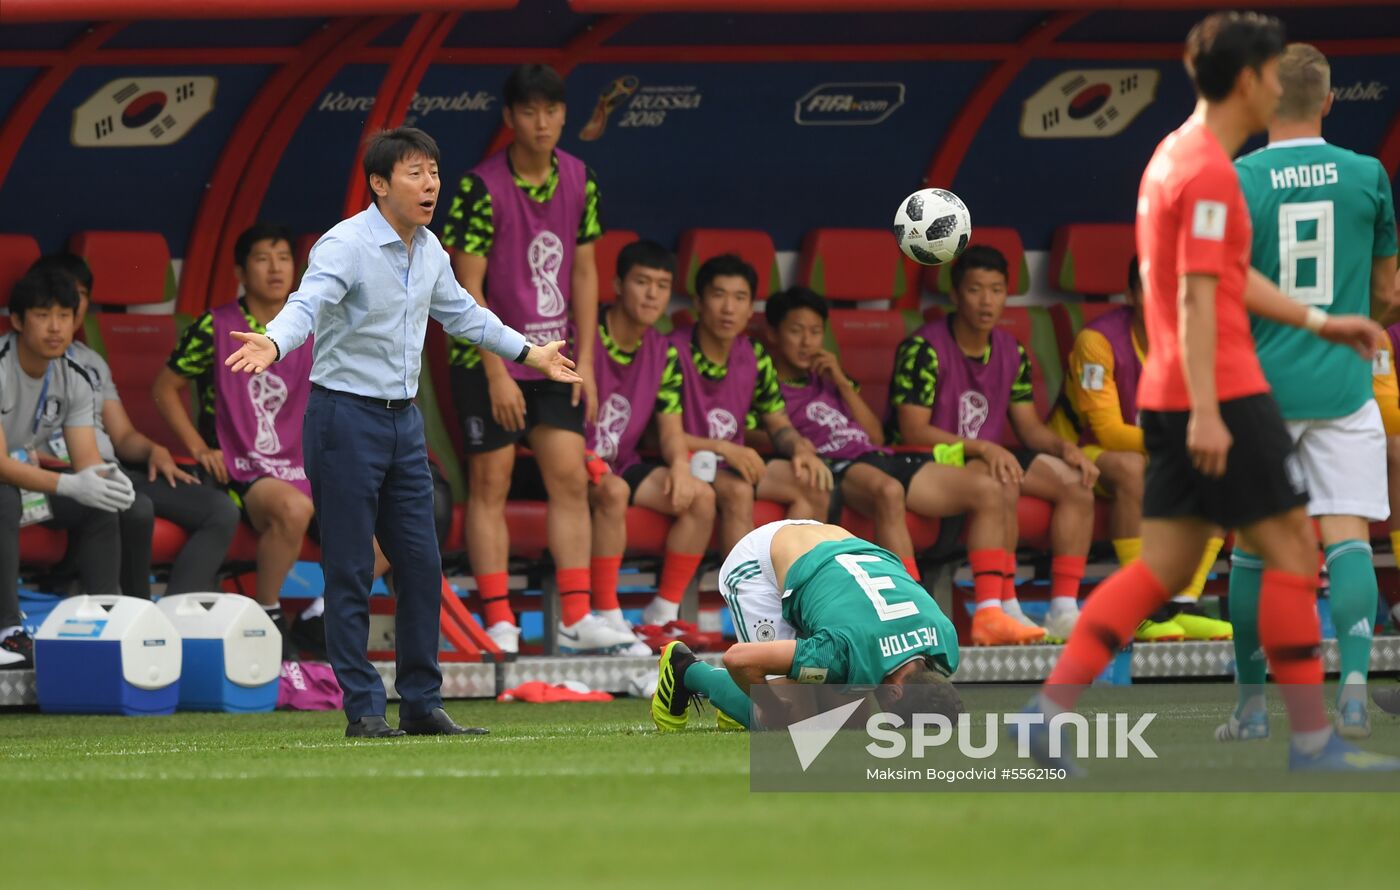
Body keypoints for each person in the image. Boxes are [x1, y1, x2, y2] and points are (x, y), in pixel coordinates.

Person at [1022, 12, 1398, 773]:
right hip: (1221, 390)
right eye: (1270, 74)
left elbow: (1227, 274)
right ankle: (1313, 744)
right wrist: (1207, 410)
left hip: (1180, 390)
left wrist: (1320, 321)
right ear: (1250, 81)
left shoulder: (1178, 156)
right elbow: (1198, 298)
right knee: (1295, 548)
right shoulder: (1213, 172)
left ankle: (1045, 711)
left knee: (1163, 567)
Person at [224, 127, 581, 738]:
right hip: (344, 419)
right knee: (350, 568)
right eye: (416, 173)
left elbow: (465, 314)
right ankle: (364, 709)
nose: (431, 184)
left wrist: (531, 354)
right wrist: (276, 340)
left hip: (403, 421)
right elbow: (307, 304)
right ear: (380, 184)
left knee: (421, 565)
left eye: (435, 172)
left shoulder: (430, 248)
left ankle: (420, 702)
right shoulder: (346, 244)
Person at [1223, 42, 1398, 741]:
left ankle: (1251, 707)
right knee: (1348, 534)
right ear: (1329, 102)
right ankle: (1353, 690)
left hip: (1260, 391)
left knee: (1252, 549)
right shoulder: (1366, 175)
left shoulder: (1237, 178)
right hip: (1343, 388)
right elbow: (1387, 291)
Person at [440, 64, 604, 655]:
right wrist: (497, 369)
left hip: (554, 354)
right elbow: (466, 284)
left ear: (563, 116)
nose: (542, 123)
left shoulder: (581, 179)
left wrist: (586, 352)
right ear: (509, 119)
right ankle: (500, 619)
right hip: (490, 356)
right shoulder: (479, 187)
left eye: (552, 111)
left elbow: (584, 270)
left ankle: (578, 618)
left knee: (569, 474)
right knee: (492, 481)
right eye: (529, 112)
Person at [762, 286, 1026, 645]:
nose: (807, 341)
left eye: (814, 331)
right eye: (796, 331)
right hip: (835, 466)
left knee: (989, 490)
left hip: (881, 457)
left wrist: (841, 381)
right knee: (889, 491)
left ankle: (990, 612)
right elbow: (758, 435)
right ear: (775, 334)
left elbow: (875, 435)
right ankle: (915, 610)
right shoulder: (767, 387)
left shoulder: (829, 379)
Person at [888, 246, 1097, 643]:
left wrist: (1065, 449)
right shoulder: (923, 348)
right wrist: (982, 448)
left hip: (989, 454)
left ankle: (1064, 610)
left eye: (997, 290)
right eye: (976, 289)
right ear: (955, 294)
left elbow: (1028, 426)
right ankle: (1003, 603)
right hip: (932, 457)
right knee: (1002, 477)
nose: (987, 301)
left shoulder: (1011, 351)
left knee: (1076, 485)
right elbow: (913, 430)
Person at [29, 254, 239, 605]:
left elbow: (123, 437)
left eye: (79, 293)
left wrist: (153, 451)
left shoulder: (91, 362)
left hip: (117, 470)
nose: (72, 302)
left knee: (220, 509)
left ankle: (173, 613)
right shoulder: (17, 360)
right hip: (62, 476)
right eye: (62, 293)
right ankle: (137, 611)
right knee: (134, 506)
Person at [1050, 258, 1232, 642]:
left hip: (1156, 455)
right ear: (1131, 294)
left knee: (1217, 466)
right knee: (1134, 467)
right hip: (1080, 454)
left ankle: (1182, 604)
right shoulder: (1096, 342)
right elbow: (1108, 433)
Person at [650, 520, 961, 732]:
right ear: (894, 694)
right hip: (761, 564)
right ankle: (685, 669)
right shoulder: (845, 652)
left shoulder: (945, 639)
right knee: (791, 723)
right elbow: (738, 659)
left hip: (828, 538)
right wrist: (767, 702)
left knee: (846, 725)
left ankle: (740, 700)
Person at [0, 268, 134, 669]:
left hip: (26, 478)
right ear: (19, 321)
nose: (56, 327)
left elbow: (87, 463)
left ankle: (105, 624)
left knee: (101, 504)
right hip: (6, 482)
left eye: (64, 315)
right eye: (43, 315)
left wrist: (105, 481)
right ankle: (8, 632)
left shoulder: (73, 375)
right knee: (3, 497)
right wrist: (71, 484)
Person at [586, 240, 715, 637]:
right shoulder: (582, 335)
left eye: (662, 285)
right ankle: (607, 616)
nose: (653, 293)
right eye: (642, 282)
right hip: (567, 462)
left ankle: (662, 611)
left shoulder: (664, 351)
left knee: (702, 497)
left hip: (621, 463)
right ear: (618, 285)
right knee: (613, 491)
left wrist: (679, 465)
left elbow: (671, 429)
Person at [671, 255, 832, 555]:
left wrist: (798, 448)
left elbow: (778, 423)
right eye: (719, 295)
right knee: (738, 491)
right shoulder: (672, 350)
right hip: (682, 462)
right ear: (699, 302)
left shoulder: (754, 354)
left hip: (734, 462)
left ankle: (792, 589)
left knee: (813, 482)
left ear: (749, 309)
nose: (728, 308)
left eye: (740, 298)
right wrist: (723, 448)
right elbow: (658, 436)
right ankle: (742, 599)